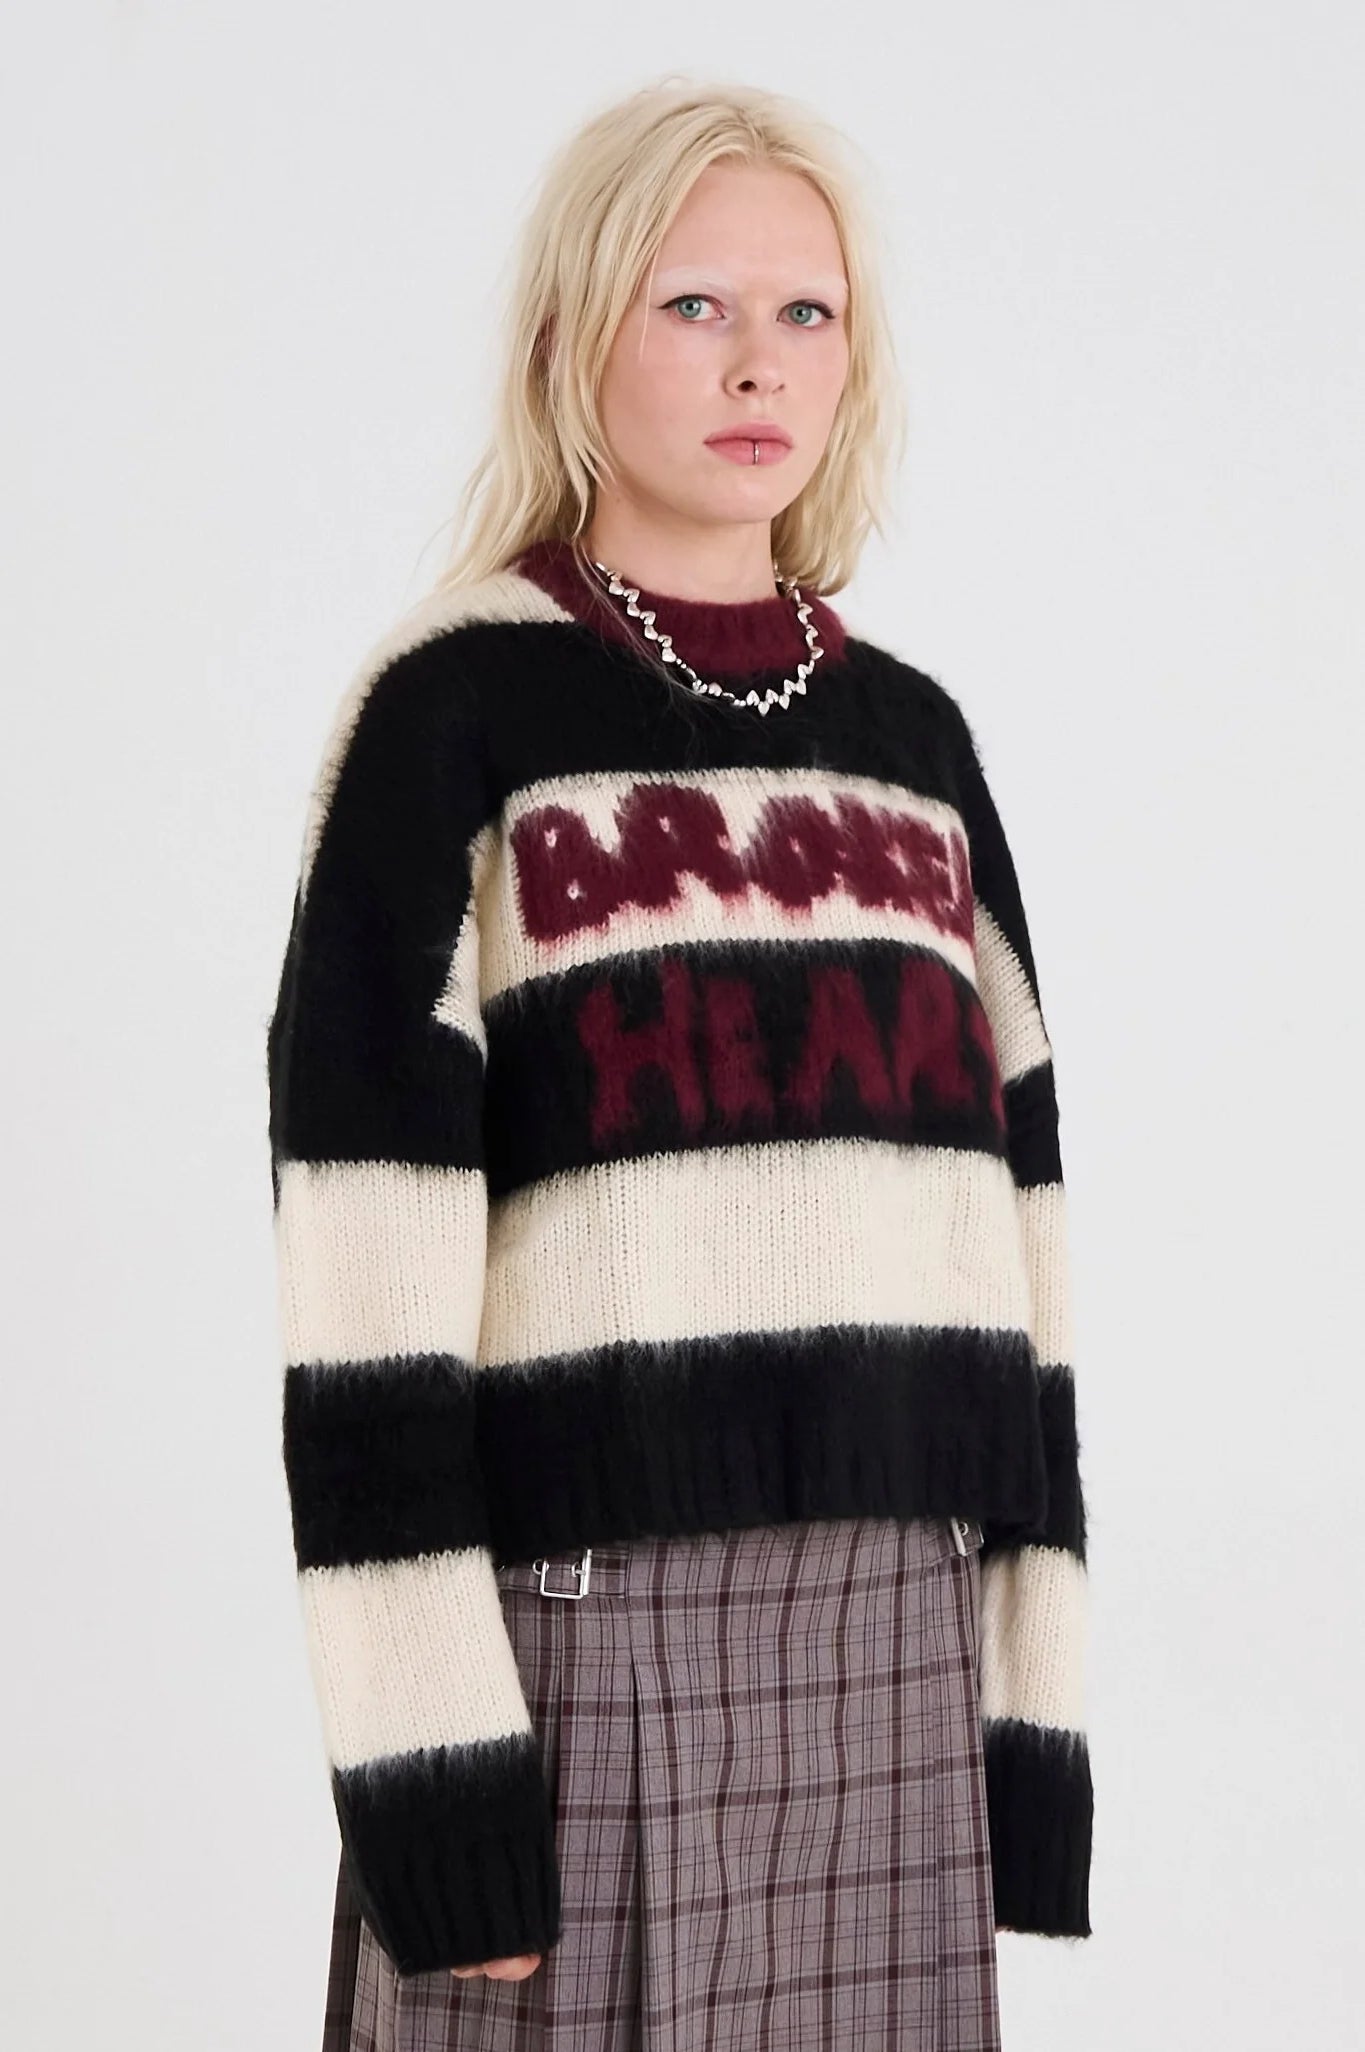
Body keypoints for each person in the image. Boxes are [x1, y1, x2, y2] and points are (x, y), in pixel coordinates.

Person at [266, 75, 1094, 2052]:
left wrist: (1028, 1727)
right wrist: (432, 1788)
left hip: (896, 1636)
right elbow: (360, 1283)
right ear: (575, 337)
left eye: (805, 312)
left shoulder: (913, 747)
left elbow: (1020, 1237)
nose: (756, 362)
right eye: (691, 304)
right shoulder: (450, 715)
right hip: (573, 1645)